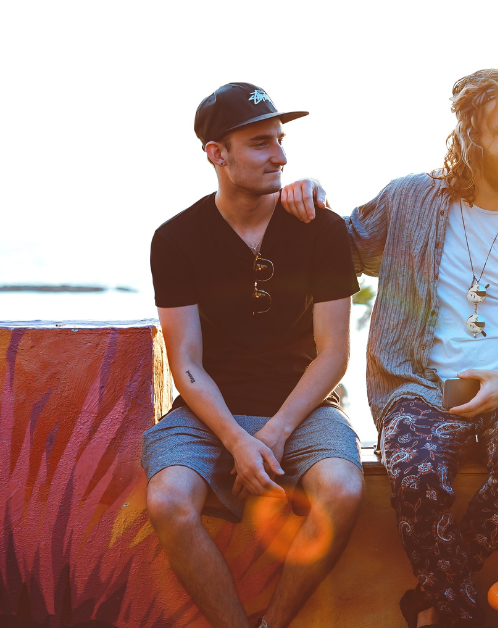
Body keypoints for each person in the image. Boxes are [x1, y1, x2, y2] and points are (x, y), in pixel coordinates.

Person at [282, 69, 498, 628]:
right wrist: (309, 193)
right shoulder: (410, 200)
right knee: (416, 479)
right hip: (418, 386)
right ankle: (455, 605)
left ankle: (436, 600)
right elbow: (338, 249)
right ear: (469, 134)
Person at [141, 82, 364, 628]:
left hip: (305, 406)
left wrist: (275, 431)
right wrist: (237, 439)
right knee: (168, 500)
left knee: (343, 488)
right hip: (208, 409)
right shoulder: (176, 239)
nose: (281, 155)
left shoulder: (321, 229)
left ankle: (275, 624)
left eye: (281, 140)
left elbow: (334, 352)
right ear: (217, 154)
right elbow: (186, 362)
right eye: (261, 143)